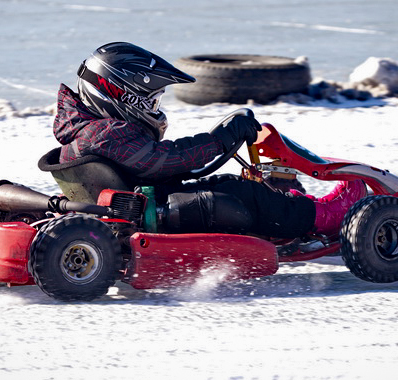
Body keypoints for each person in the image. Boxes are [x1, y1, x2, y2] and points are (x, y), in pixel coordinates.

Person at [51, 42, 367, 239]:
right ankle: (322, 217)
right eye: (149, 102)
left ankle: (291, 204)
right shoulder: (107, 133)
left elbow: (152, 164)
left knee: (229, 181)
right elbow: (165, 159)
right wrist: (220, 139)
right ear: (119, 95)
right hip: (154, 214)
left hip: (146, 200)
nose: (153, 111)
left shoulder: (86, 129)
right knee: (244, 193)